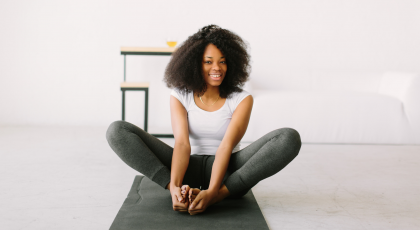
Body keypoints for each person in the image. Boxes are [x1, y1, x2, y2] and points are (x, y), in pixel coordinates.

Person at [106, 25, 301, 215]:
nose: (217, 68)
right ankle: (175, 191)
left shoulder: (242, 99)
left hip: (229, 173)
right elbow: (182, 144)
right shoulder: (180, 95)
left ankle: (220, 194)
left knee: (288, 137)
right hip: (188, 168)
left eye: (222, 61)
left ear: (231, 64)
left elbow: (225, 146)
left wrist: (214, 192)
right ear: (195, 64)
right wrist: (174, 186)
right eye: (208, 61)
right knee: (117, 130)